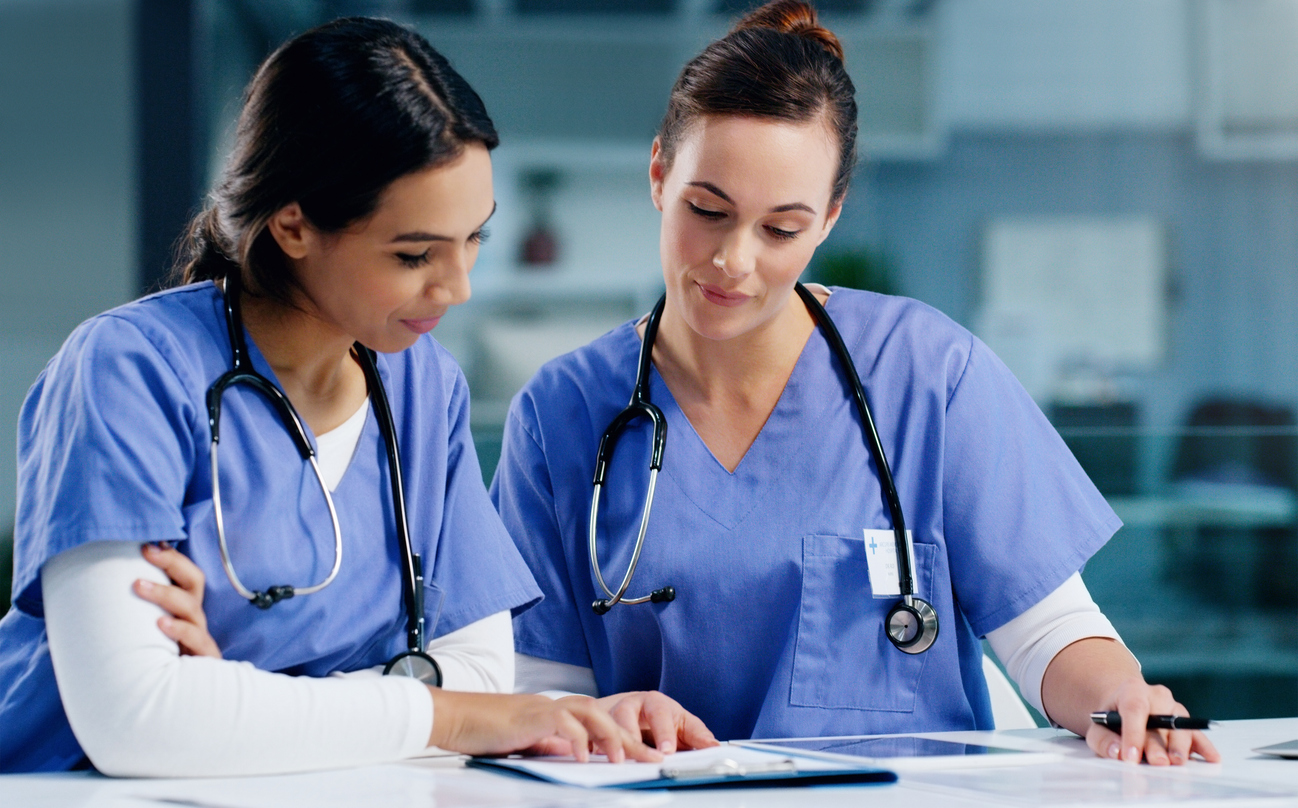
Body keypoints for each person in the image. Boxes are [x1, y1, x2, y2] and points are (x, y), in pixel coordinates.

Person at [493, 0, 1219, 767]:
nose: (734, 260)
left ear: (830, 217)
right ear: (658, 175)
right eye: (708, 210)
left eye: (781, 229)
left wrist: (1123, 698)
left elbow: (1047, 631)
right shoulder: (562, 413)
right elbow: (541, 691)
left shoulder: (928, 373)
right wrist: (589, 716)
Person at [0, 17, 707, 776]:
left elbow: (481, 672)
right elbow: (135, 721)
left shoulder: (422, 386)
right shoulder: (127, 373)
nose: (458, 286)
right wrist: (441, 711)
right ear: (294, 224)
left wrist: (233, 693)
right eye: (414, 254)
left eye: (475, 239)